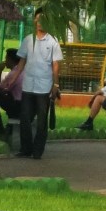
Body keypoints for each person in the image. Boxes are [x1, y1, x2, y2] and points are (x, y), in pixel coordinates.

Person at [17, 12, 61, 159]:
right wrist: (13, 78)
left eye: (43, 19)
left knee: (42, 121)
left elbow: (55, 64)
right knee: (25, 118)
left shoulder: (53, 42)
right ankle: (25, 149)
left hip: (44, 86)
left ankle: (37, 151)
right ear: (34, 20)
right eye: (38, 19)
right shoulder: (28, 40)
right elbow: (22, 61)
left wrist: (55, 84)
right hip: (28, 85)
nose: (40, 22)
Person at [0, 48, 25, 135]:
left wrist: (0, 71)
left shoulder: (13, 74)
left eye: (6, 58)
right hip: (26, 104)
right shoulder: (24, 70)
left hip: (18, 106)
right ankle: (7, 124)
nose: (5, 60)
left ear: (11, 60)